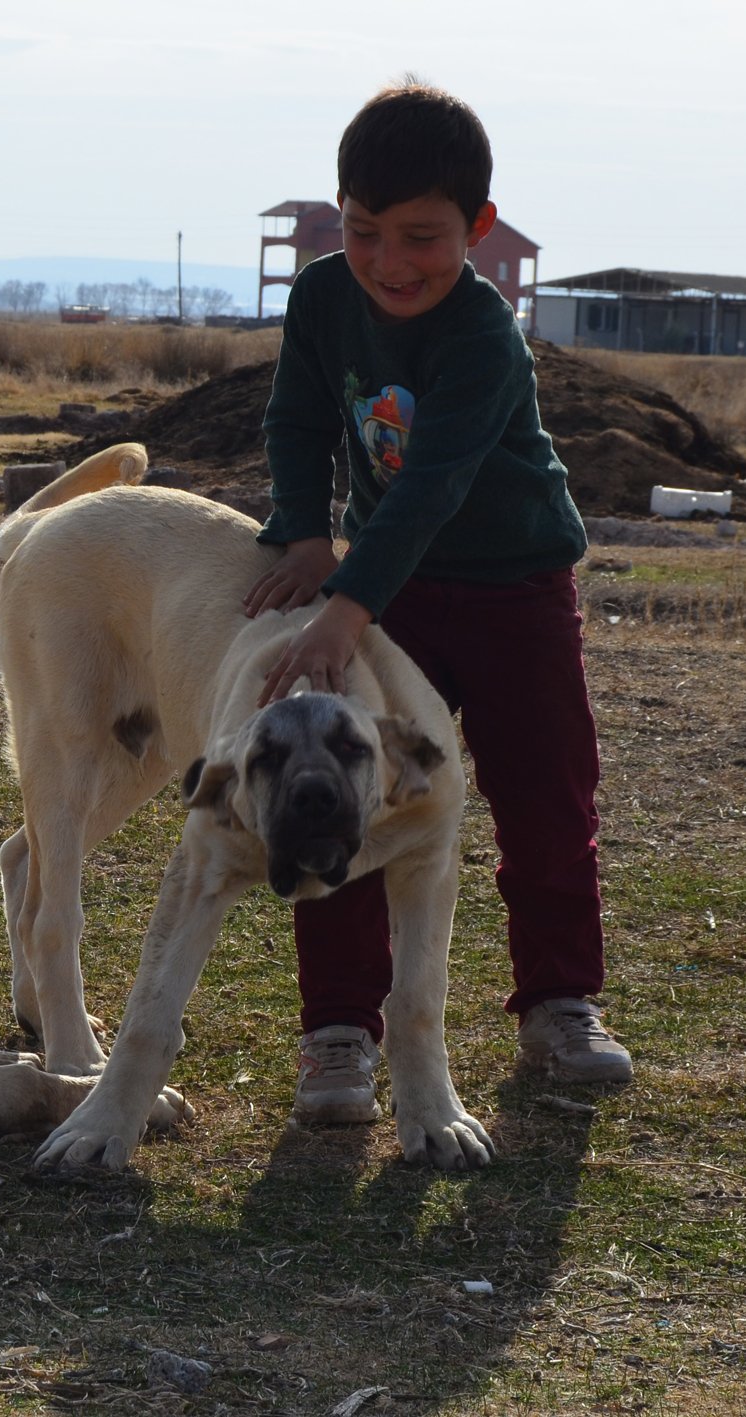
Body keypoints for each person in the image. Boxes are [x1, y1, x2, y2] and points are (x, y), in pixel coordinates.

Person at [242, 79, 632, 1125]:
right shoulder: (324, 296)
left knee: (547, 800)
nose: (390, 262)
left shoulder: (484, 336)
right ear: (340, 216)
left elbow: (431, 486)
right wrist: (306, 530)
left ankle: (559, 1004)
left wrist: (342, 604)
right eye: (366, 232)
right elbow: (296, 418)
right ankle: (337, 1031)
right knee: (344, 791)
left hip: (515, 589)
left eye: (422, 237)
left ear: (479, 228)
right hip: (393, 588)